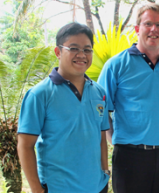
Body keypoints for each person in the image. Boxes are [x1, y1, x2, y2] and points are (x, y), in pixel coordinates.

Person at [97, 3, 159, 193]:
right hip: (130, 156)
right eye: (148, 24)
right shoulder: (116, 65)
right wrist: (117, 142)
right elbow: (101, 113)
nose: (154, 29)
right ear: (137, 29)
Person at [17, 23, 110, 193]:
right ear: (58, 52)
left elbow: (101, 136)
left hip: (96, 187)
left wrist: (105, 172)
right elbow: (25, 145)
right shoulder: (40, 94)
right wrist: (37, 189)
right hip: (58, 188)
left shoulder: (99, 92)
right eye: (74, 48)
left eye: (87, 49)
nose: (82, 55)